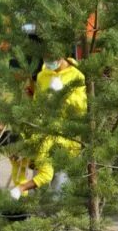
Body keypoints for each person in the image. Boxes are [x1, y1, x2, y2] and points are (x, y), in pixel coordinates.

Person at [32, 56, 86, 191]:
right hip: (43, 140)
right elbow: (35, 107)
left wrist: (63, 94)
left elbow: (81, 109)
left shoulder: (77, 75)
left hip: (67, 143)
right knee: (41, 191)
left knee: (60, 190)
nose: (48, 60)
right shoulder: (42, 76)